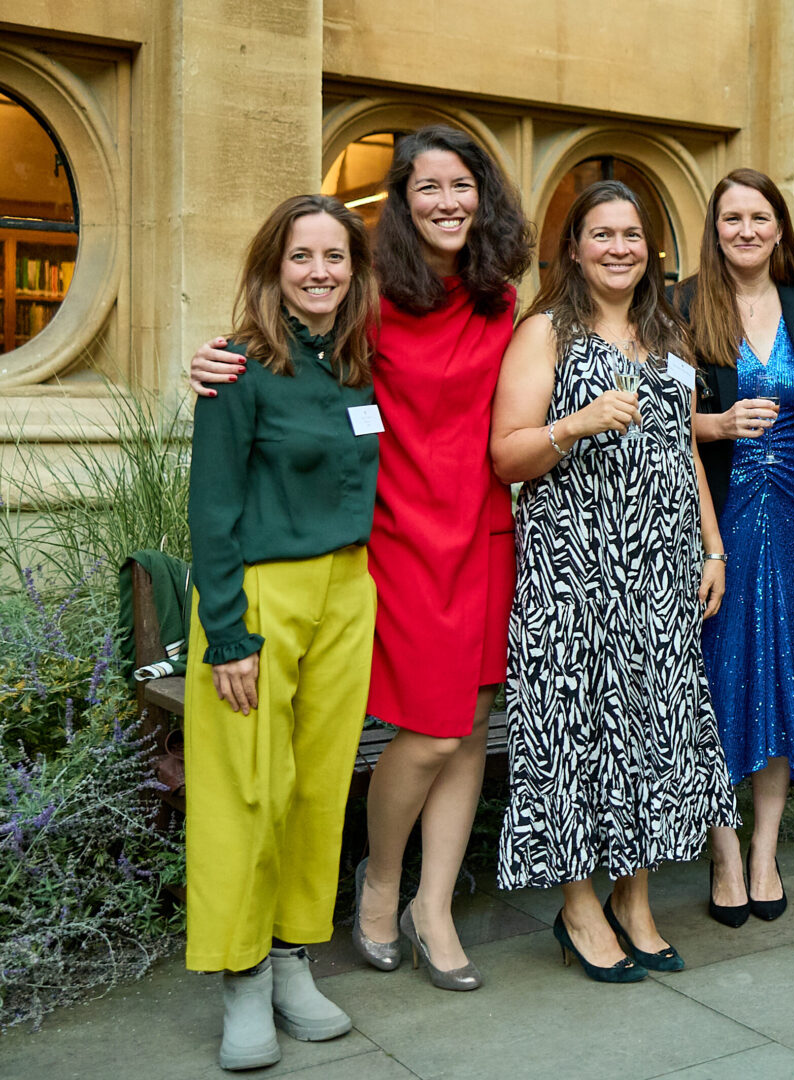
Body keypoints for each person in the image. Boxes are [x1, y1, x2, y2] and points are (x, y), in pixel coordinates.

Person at [190, 124, 534, 991]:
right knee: (428, 732)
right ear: (400, 202)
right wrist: (208, 360)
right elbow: (284, 344)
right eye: (428, 188)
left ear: (483, 196)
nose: (448, 203)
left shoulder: (504, 302)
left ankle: (436, 905)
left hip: (486, 524)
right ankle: (379, 882)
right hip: (396, 534)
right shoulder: (366, 295)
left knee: (472, 721)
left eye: (463, 186)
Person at [490, 179, 739, 982]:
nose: (619, 248)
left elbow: (684, 451)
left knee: (648, 732)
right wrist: (575, 423)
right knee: (574, 732)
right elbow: (507, 455)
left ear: (650, 249)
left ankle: (635, 899)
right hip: (576, 567)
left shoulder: (668, 332)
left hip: (661, 570)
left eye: (632, 235)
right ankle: (577, 905)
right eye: (602, 234)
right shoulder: (545, 333)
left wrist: (712, 549)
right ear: (573, 247)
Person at [184, 194, 380, 1070]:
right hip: (257, 601)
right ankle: (241, 976)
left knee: (316, 790)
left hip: (347, 593)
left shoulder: (359, 365)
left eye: (334, 257)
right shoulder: (236, 367)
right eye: (301, 257)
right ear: (274, 266)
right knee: (246, 795)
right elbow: (213, 505)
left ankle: (295, 958)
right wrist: (226, 633)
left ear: (354, 269)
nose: (318, 273)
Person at [680, 168, 794, 926]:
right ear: (714, 228)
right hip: (720, 515)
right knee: (715, 679)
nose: (746, 229)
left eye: (759, 216)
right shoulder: (681, 306)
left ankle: (767, 848)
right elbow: (653, 414)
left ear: (780, 228)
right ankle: (724, 849)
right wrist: (714, 425)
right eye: (732, 217)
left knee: (783, 673)